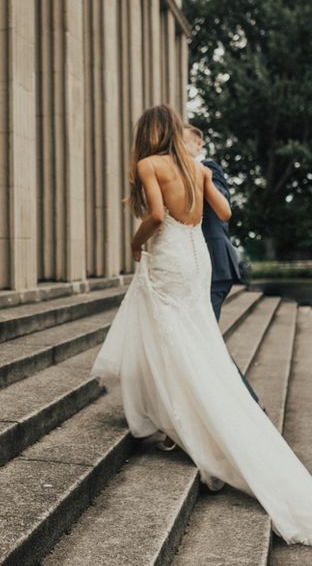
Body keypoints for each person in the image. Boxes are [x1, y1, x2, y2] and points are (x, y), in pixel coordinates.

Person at [92, 105, 312, 545]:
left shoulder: (148, 164)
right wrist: (202, 186)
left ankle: (186, 419)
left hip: (169, 251)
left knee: (174, 340)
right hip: (197, 257)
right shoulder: (197, 166)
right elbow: (225, 214)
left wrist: (136, 245)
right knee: (196, 338)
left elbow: (155, 216)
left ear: (147, 133)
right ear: (175, 130)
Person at [182, 124, 260, 404]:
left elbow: (223, 211)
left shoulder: (209, 167)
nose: (178, 149)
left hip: (216, 265)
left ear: (199, 145)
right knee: (202, 340)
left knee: (204, 341)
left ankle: (245, 406)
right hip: (192, 265)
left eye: (183, 143)